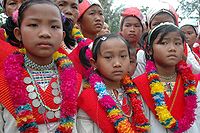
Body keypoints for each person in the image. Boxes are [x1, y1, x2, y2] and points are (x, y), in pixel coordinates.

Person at [0, 0, 82, 132]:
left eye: (54, 26)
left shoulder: (76, 81)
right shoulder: (3, 82)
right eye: (33, 25)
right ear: (18, 34)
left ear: (62, 36)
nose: (45, 33)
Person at [133, 22, 200, 133]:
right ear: (149, 50)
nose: (172, 48)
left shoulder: (194, 83)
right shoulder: (139, 85)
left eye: (177, 43)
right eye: (164, 43)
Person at [77, 34, 150, 133]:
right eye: (108, 57)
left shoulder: (136, 92)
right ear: (94, 63)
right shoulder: (88, 98)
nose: (117, 63)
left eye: (123, 56)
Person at [135, 2, 200, 78]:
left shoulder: (183, 47)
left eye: (168, 23)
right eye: (156, 24)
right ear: (148, 26)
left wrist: (183, 58)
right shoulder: (142, 53)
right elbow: (138, 81)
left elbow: (196, 72)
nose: (163, 28)